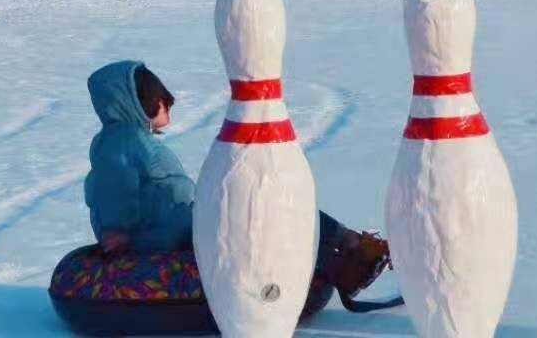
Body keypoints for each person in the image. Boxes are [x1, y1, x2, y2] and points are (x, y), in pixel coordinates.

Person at [84, 61, 392, 304]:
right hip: (165, 234)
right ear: (133, 102)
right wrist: (116, 230)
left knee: (264, 211)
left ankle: (348, 251)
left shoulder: (130, 139)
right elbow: (114, 187)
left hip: (176, 225)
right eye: (158, 99)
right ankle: (348, 254)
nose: (166, 105)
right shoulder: (120, 143)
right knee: (263, 213)